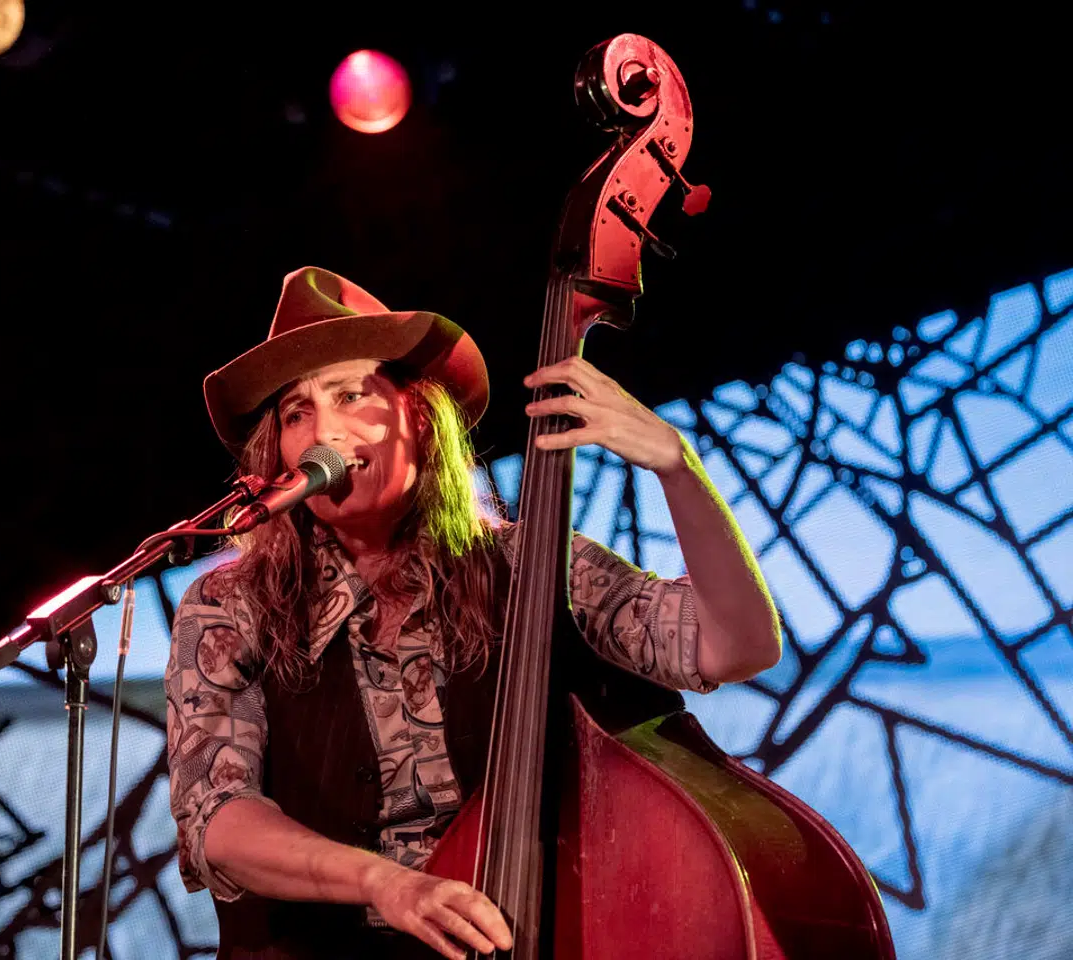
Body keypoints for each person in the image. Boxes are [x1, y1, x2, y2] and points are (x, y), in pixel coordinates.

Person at [164, 267, 782, 959]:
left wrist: (677, 465)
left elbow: (736, 647)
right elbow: (215, 820)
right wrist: (385, 884)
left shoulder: (536, 565)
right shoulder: (229, 604)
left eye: (349, 396)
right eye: (296, 413)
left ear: (419, 418)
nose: (322, 431)